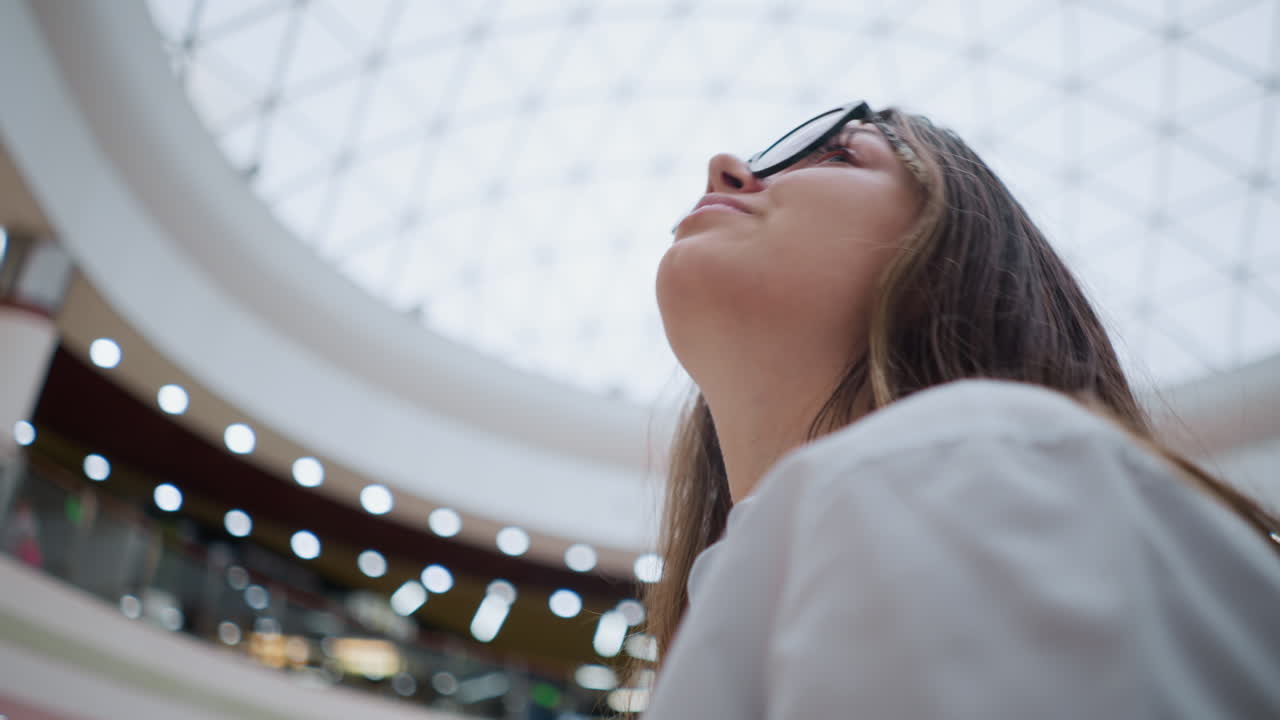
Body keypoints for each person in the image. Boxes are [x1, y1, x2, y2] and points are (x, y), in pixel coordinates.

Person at [638, 101, 1280, 718]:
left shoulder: (977, 464)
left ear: (951, 252)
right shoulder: (764, 568)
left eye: (838, 157)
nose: (726, 165)